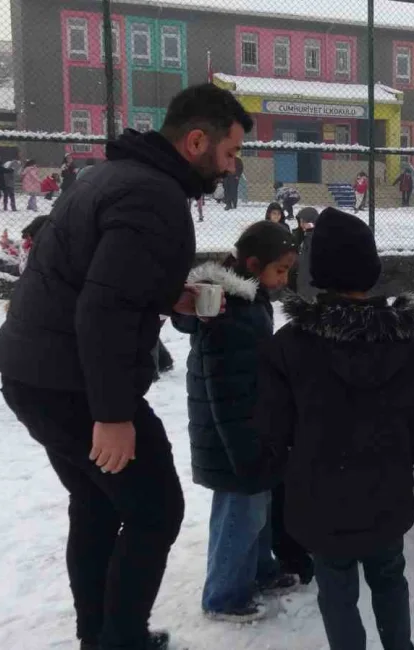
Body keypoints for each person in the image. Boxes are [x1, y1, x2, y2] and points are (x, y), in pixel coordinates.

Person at [0, 83, 253, 650]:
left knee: (97, 502)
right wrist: (112, 415)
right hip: (73, 384)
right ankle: (120, 640)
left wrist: (167, 293)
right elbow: (103, 308)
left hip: (38, 373)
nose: (232, 168)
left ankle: (102, 636)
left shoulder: (117, 177)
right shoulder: (151, 197)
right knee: (156, 511)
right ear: (195, 140)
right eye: (230, 154)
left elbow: (102, 278)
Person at [254, 207, 414, 650]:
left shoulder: (291, 345)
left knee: (336, 589)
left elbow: (272, 425)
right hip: (386, 491)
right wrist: (412, 457)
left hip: (319, 496)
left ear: (317, 274)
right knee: (389, 576)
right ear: (371, 271)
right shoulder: (409, 344)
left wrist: (278, 465)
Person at [172, 221, 300, 623]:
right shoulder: (234, 312)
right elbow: (225, 387)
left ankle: (259, 570)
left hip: (250, 425)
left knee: (256, 506)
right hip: (235, 431)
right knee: (238, 513)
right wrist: (242, 445)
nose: (284, 280)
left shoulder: (244, 300)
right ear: (252, 263)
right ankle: (224, 595)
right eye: (280, 270)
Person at [291, 207, 319, 301]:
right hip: (302, 281)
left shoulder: (313, 238)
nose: (301, 224)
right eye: (300, 221)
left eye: (304, 222)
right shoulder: (303, 235)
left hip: (311, 284)